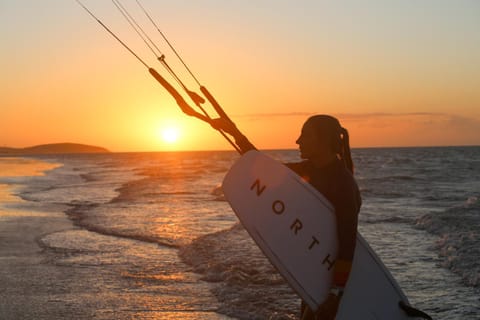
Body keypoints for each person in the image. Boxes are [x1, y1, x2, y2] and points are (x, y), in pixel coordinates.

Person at [211, 115, 361, 320]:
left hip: (338, 285)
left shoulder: (342, 184)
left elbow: (347, 244)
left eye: (305, 135)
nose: (298, 141)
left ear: (323, 139)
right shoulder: (309, 170)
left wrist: (336, 293)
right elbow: (262, 168)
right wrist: (235, 132)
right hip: (316, 278)